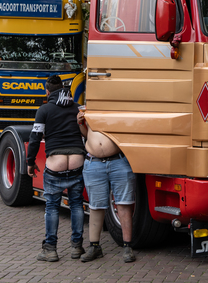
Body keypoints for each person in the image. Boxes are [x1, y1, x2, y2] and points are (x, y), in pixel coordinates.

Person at [27, 75, 86, 262]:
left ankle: (50, 249)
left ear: (47, 92)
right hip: (78, 161)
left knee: (52, 206)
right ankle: (77, 247)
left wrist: (30, 161)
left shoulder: (44, 109)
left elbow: (35, 137)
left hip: (55, 164)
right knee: (77, 205)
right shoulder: (77, 108)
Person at [77, 107, 137, 263]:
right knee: (96, 206)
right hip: (94, 162)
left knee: (124, 204)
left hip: (118, 161)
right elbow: (87, 135)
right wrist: (80, 124)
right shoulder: (87, 109)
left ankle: (127, 247)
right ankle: (94, 246)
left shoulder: (116, 106)